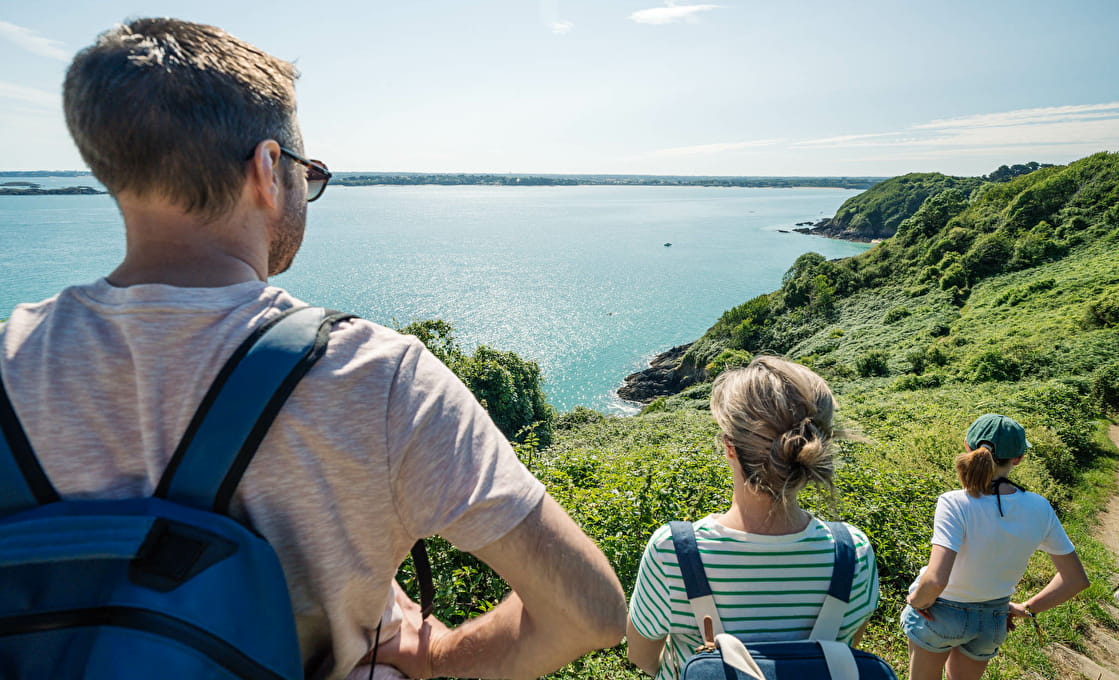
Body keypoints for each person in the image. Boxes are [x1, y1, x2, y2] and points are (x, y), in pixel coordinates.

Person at [0, 18, 626, 680]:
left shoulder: (11, 363)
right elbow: (588, 611)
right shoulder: (376, 378)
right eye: (309, 172)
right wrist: (438, 655)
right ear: (268, 169)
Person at [626, 356, 880, 679]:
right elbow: (845, 648)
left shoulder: (671, 553)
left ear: (729, 447)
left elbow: (642, 656)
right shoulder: (854, 553)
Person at [902, 414, 1090, 680]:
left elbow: (935, 580)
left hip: (939, 614)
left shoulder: (954, 502)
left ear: (968, 447)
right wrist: (1026, 608)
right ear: (1019, 458)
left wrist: (916, 601)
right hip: (992, 619)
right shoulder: (1039, 507)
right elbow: (1075, 580)